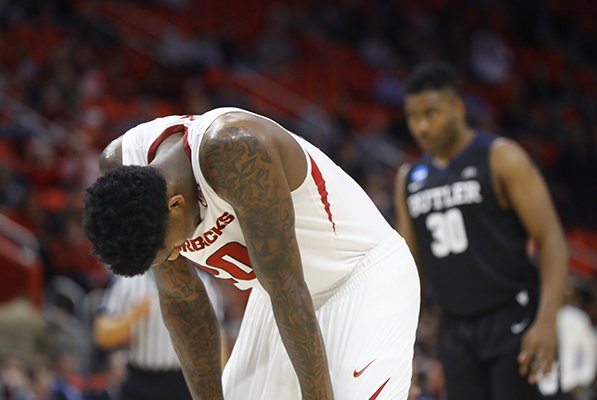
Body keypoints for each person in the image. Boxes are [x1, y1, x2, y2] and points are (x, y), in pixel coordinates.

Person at [82, 107, 421, 399]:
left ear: (175, 204)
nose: (174, 258)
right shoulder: (125, 170)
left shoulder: (235, 150)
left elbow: (287, 284)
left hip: (360, 277)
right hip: (277, 298)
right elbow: (184, 299)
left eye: (170, 250)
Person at [394, 62, 569, 400]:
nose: (421, 126)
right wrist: (403, 345)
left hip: (514, 318)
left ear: (458, 108)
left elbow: (551, 240)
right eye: (413, 117)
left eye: (431, 113)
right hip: (455, 330)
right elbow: (409, 271)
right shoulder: (408, 179)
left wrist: (546, 321)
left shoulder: (500, 157)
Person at [93, 269, 226, 400]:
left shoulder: (201, 282)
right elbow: (102, 335)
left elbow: (216, 335)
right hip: (139, 379)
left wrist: (222, 382)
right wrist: (133, 315)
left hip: (183, 378)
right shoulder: (128, 281)